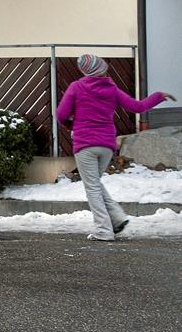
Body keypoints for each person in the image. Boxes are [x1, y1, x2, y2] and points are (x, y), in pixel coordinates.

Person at [56, 54, 173, 241]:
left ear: (85, 72)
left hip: (85, 144)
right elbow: (137, 107)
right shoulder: (112, 90)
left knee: (92, 187)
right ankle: (117, 219)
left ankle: (104, 230)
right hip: (106, 145)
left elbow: (61, 115)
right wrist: (158, 96)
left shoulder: (76, 87)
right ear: (102, 69)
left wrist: (72, 125)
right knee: (94, 183)